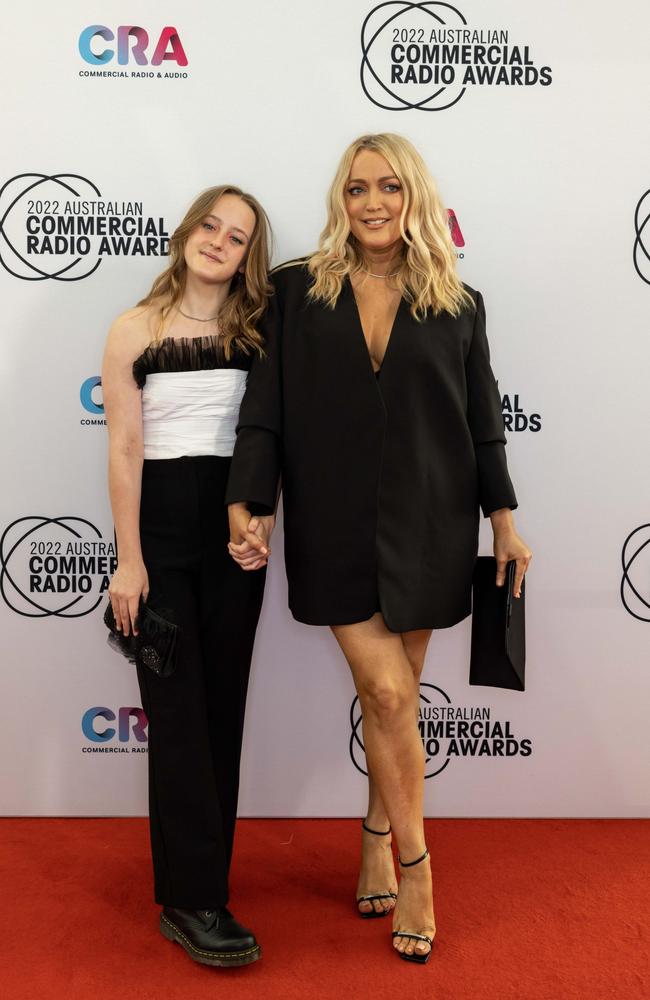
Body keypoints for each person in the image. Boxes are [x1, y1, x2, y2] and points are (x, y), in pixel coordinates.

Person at [226, 134, 532, 965]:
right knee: (391, 695)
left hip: (432, 524)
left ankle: (371, 831)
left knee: (391, 699)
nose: (371, 203)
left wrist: (502, 519)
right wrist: (248, 501)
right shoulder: (297, 292)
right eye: (356, 188)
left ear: (414, 196)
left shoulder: (457, 302)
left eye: (388, 187)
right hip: (330, 525)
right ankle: (418, 865)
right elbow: (266, 408)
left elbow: (482, 422)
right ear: (341, 199)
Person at [102, 184, 273, 967]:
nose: (218, 241)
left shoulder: (260, 329)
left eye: (236, 237)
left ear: (248, 257)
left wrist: (259, 515)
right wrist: (128, 559)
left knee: (219, 711)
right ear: (186, 231)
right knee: (174, 715)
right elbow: (126, 451)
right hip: (162, 531)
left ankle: (196, 888)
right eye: (211, 224)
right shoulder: (133, 328)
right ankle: (195, 901)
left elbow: (269, 436)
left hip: (233, 530)